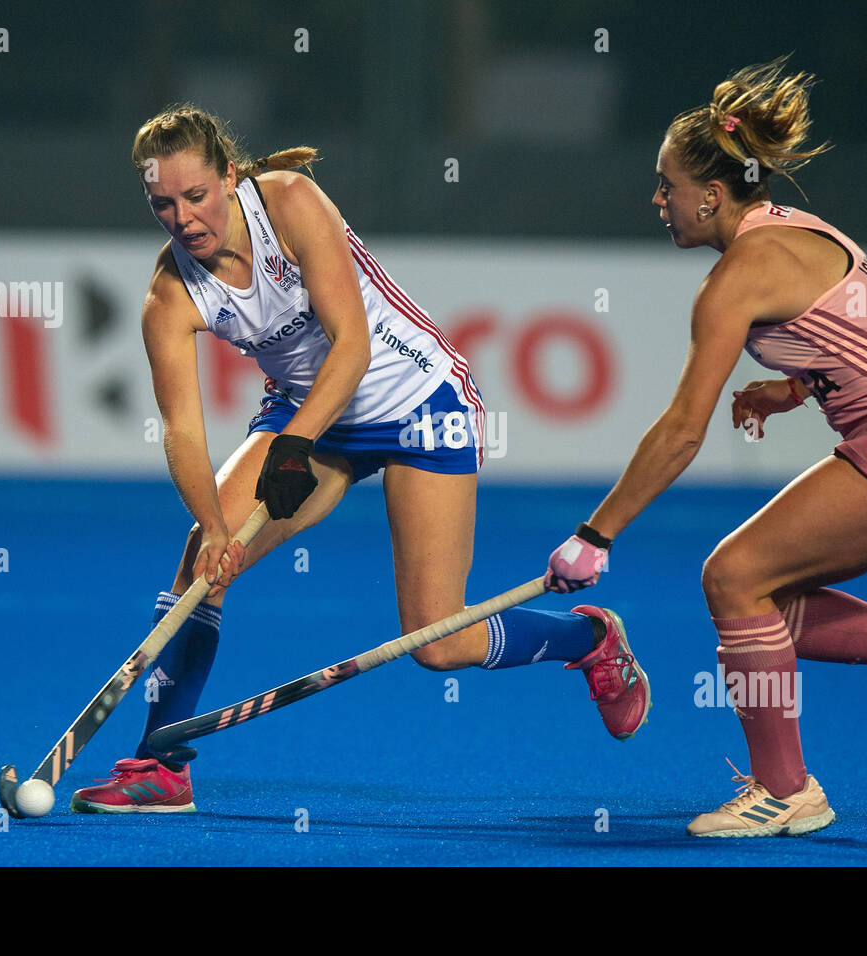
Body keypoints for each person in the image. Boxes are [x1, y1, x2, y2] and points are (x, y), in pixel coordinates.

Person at [70, 105, 651, 813]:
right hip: (309, 415)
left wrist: (294, 444)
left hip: (418, 402)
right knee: (201, 561)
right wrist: (216, 528)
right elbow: (182, 433)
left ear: (227, 175)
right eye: (164, 204)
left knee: (436, 641)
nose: (184, 217)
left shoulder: (288, 201)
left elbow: (353, 346)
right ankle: (162, 766)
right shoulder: (170, 295)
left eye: (196, 196)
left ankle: (588, 639)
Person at [544, 58, 867, 838]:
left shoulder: (738, 276)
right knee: (760, 601)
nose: (658, 201)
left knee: (733, 577)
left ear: (713, 193)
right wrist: (796, 388)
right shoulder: (800, 231)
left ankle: (786, 789)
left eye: (667, 185)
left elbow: (681, 431)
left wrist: (595, 535)